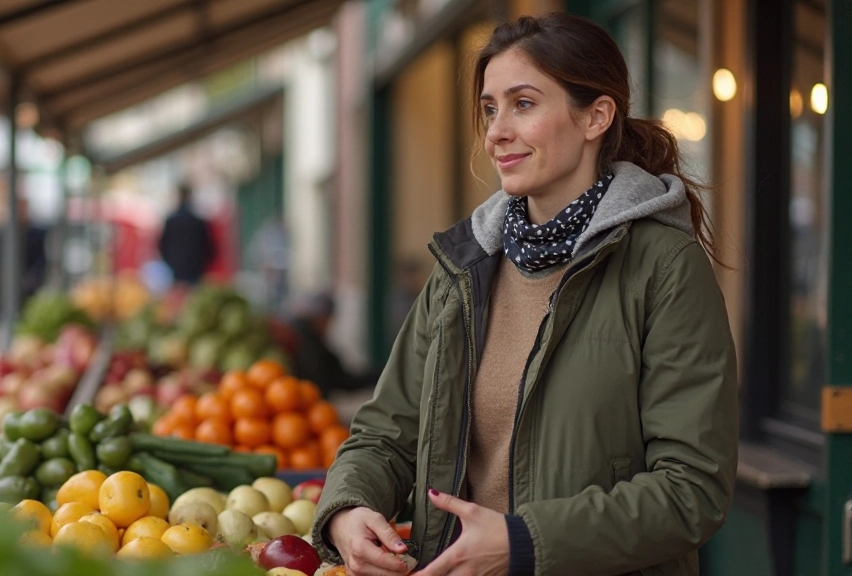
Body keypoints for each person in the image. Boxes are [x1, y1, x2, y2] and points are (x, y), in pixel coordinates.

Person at [312, 12, 738, 576]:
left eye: (524, 104)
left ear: (595, 116)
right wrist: (348, 508)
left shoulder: (664, 267)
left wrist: (526, 542)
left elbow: (693, 490)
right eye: (490, 108)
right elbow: (385, 433)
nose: (496, 132)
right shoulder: (463, 265)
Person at [285, 293, 380, 400]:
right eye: (328, 319)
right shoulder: (309, 344)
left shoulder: (302, 335)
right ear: (321, 318)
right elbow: (340, 379)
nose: (328, 325)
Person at [158, 183, 215, 286]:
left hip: (177, 269)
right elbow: (209, 246)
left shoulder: (171, 221)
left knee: (179, 297)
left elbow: (162, 246)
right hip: (195, 269)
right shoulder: (198, 221)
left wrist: (171, 263)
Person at [19, 198, 48, 304]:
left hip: (30, 285)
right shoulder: (7, 234)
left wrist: (32, 279)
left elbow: (41, 260)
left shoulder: (35, 234)